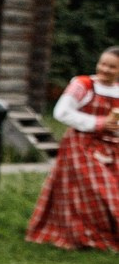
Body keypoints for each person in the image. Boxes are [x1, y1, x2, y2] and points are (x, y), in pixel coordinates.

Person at [27, 48, 119, 252]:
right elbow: (61, 112)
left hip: (112, 147)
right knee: (100, 190)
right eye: (102, 64)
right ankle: (85, 234)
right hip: (81, 144)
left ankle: (104, 234)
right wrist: (98, 122)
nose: (105, 69)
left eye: (111, 66)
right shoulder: (82, 84)